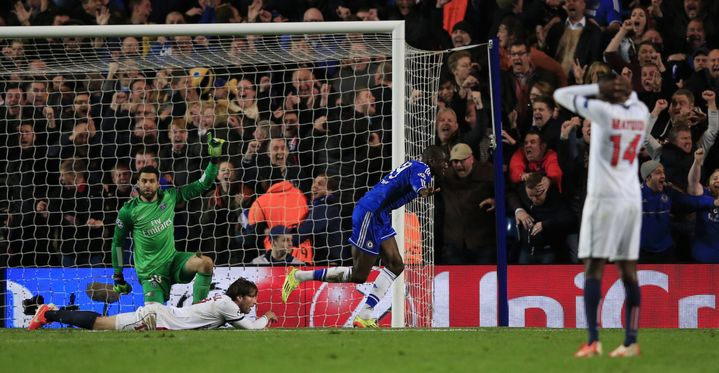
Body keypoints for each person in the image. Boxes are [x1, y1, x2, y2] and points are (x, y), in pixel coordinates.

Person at [281, 146, 447, 327]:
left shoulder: (414, 166)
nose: (446, 165)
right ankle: (298, 276)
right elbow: (419, 186)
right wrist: (424, 192)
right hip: (370, 212)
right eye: (443, 161)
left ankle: (365, 314)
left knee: (396, 264)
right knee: (359, 274)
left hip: (379, 214)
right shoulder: (423, 168)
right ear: (431, 161)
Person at [554, 73, 649, 357]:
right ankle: (631, 342)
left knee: (593, 266)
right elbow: (631, 98)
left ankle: (593, 341)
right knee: (628, 270)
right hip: (631, 199)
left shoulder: (603, 112)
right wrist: (623, 88)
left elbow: (562, 95)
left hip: (604, 199)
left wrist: (597, 88)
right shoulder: (641, 112)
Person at [111, 134, 224, 305]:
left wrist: (214, 160)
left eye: (151, 181)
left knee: (205, 263)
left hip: (173, 262)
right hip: (150, 273)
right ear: (138, 183)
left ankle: (198, 312)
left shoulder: (169, 197)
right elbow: (117, 243)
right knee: (153, 315)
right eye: (144, 181)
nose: (147, 185)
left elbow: (202, 184)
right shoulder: (128, 211)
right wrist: (118, 275)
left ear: (158, 184)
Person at [28, 277, 277, 330]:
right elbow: (252, 330)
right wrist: (267, 317)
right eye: (253, 296)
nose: (255, 302)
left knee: (101, 324)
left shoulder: (224, 301)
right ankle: (49, 314)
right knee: (99, 324)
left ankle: (51, 313)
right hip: (156, 319)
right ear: (241, 297)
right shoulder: (227, 306)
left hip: (162, 317)